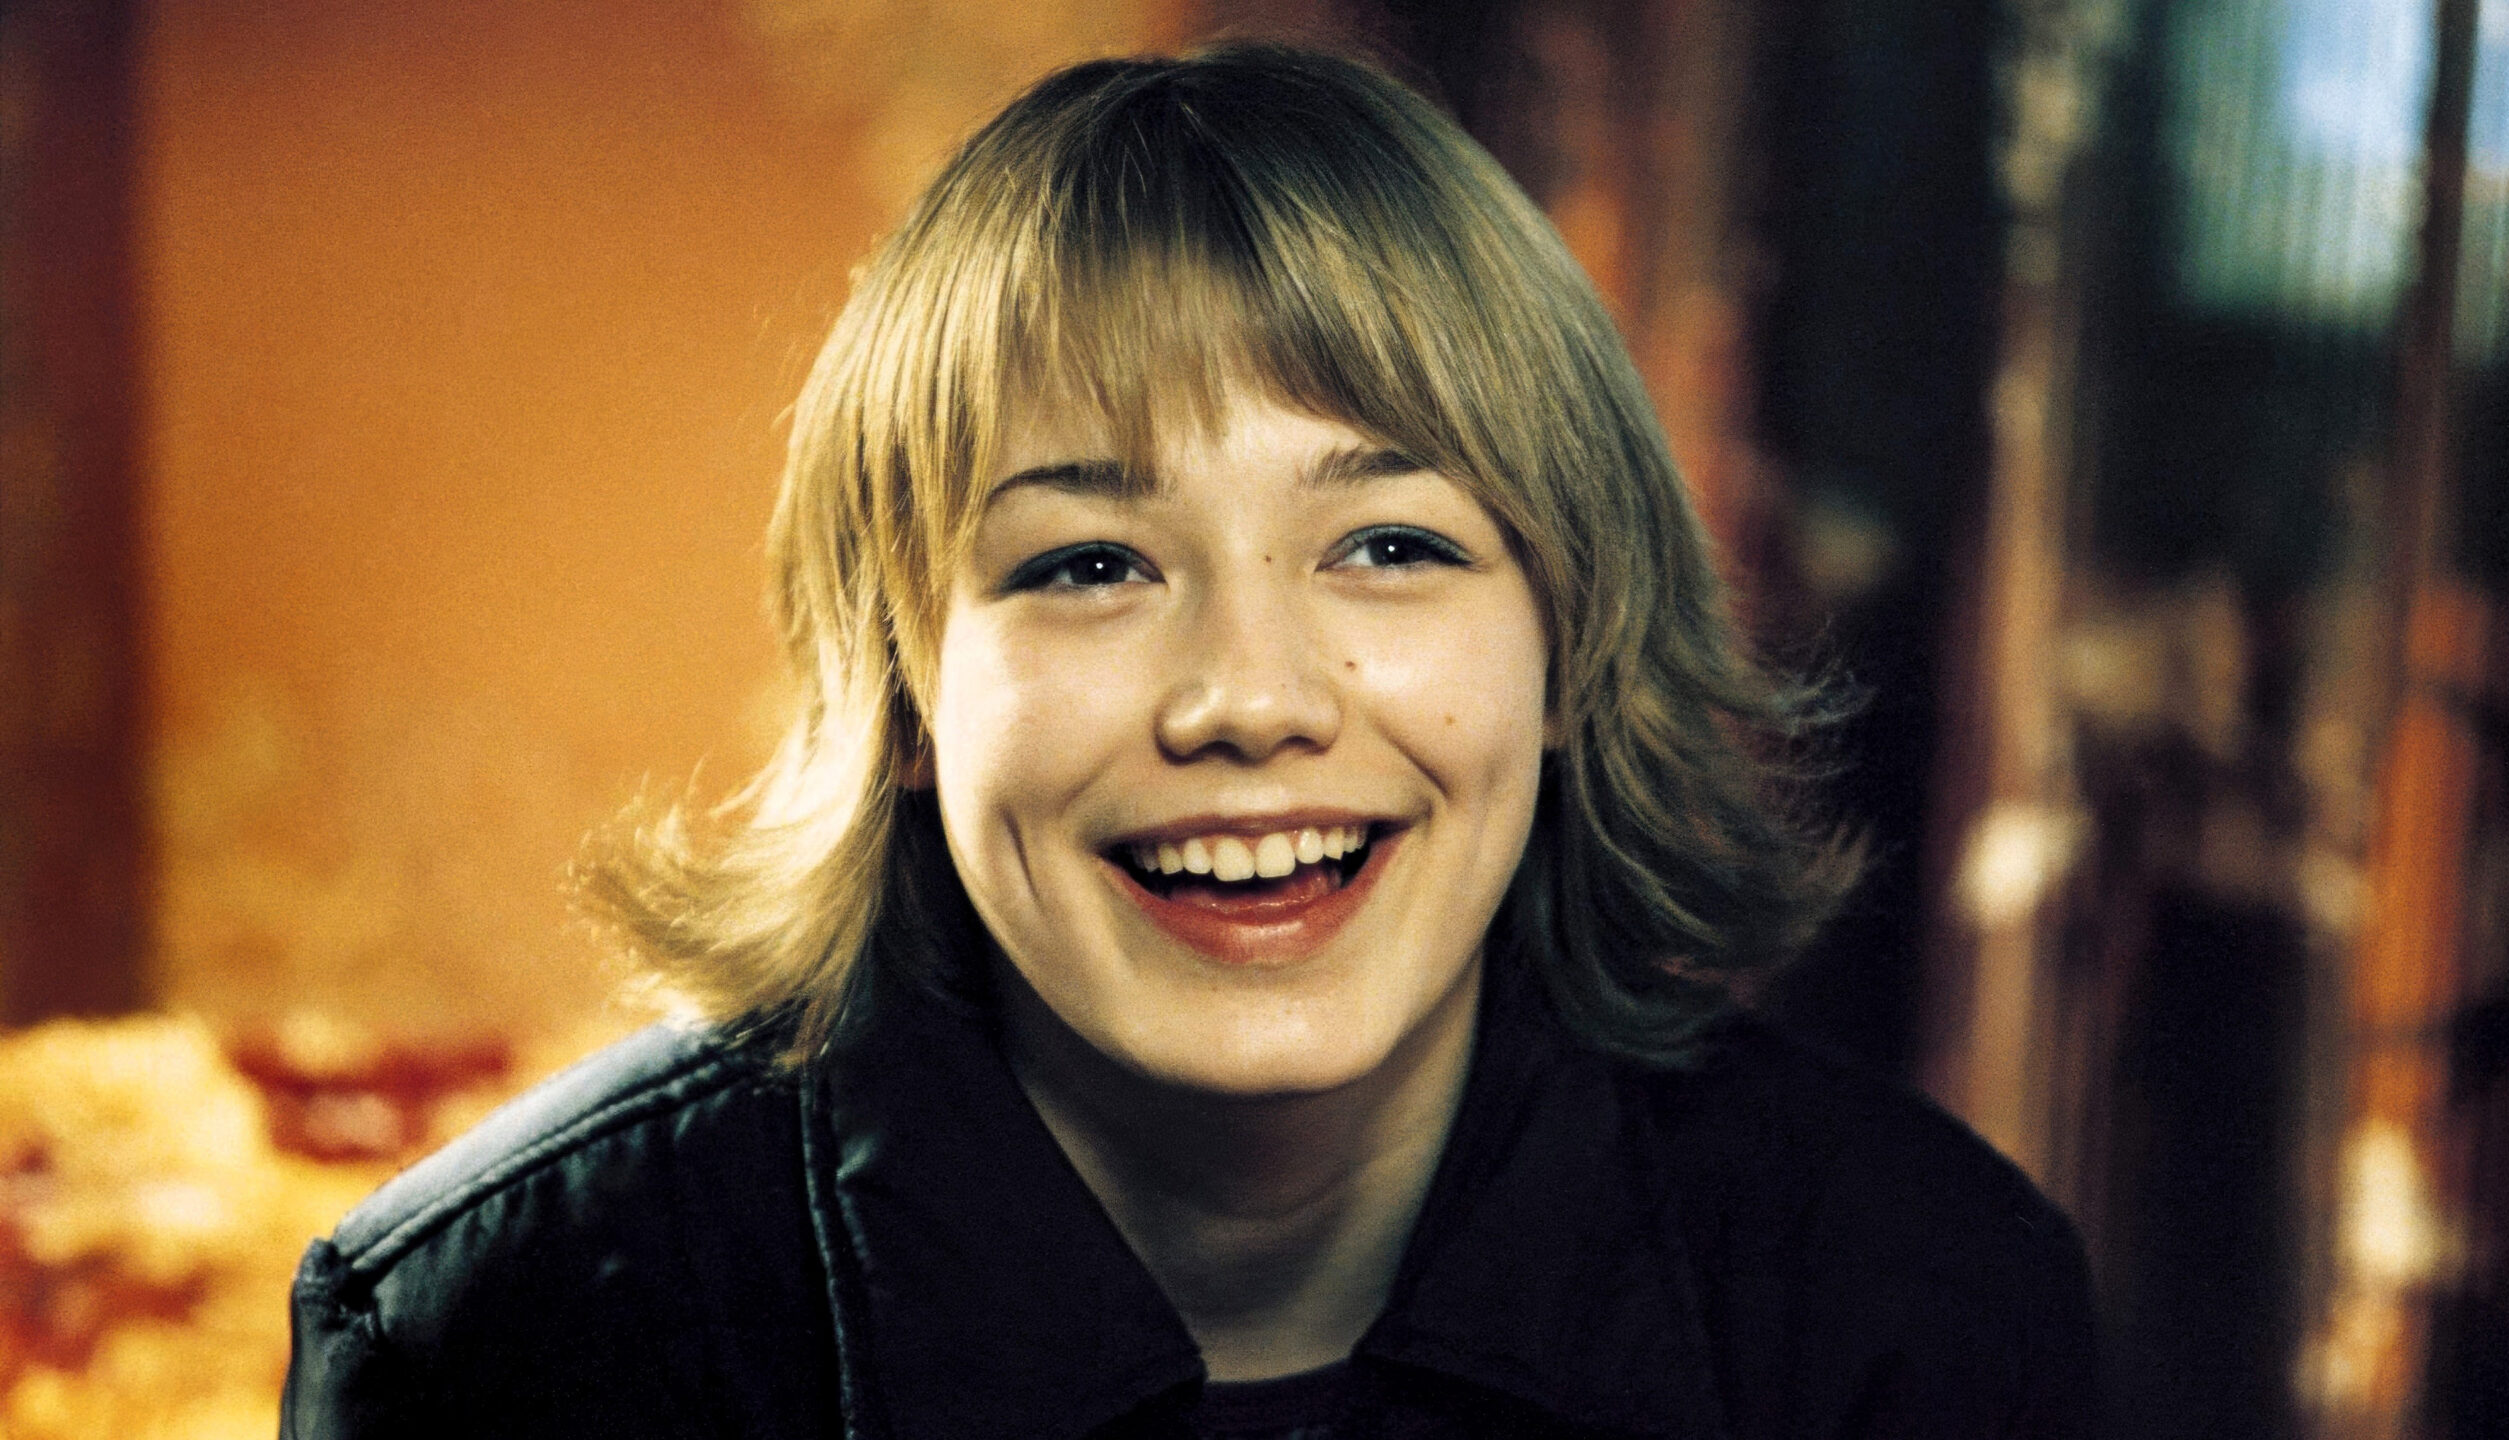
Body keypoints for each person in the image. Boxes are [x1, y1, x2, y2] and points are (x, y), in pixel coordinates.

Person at [282, 42, 2096, 1439]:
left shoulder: (1917, 1306)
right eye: (1088, 564)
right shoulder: (496, 1350)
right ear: (905, 694)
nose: (1249, 697)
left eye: (1390, 545)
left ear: (1571, 648)